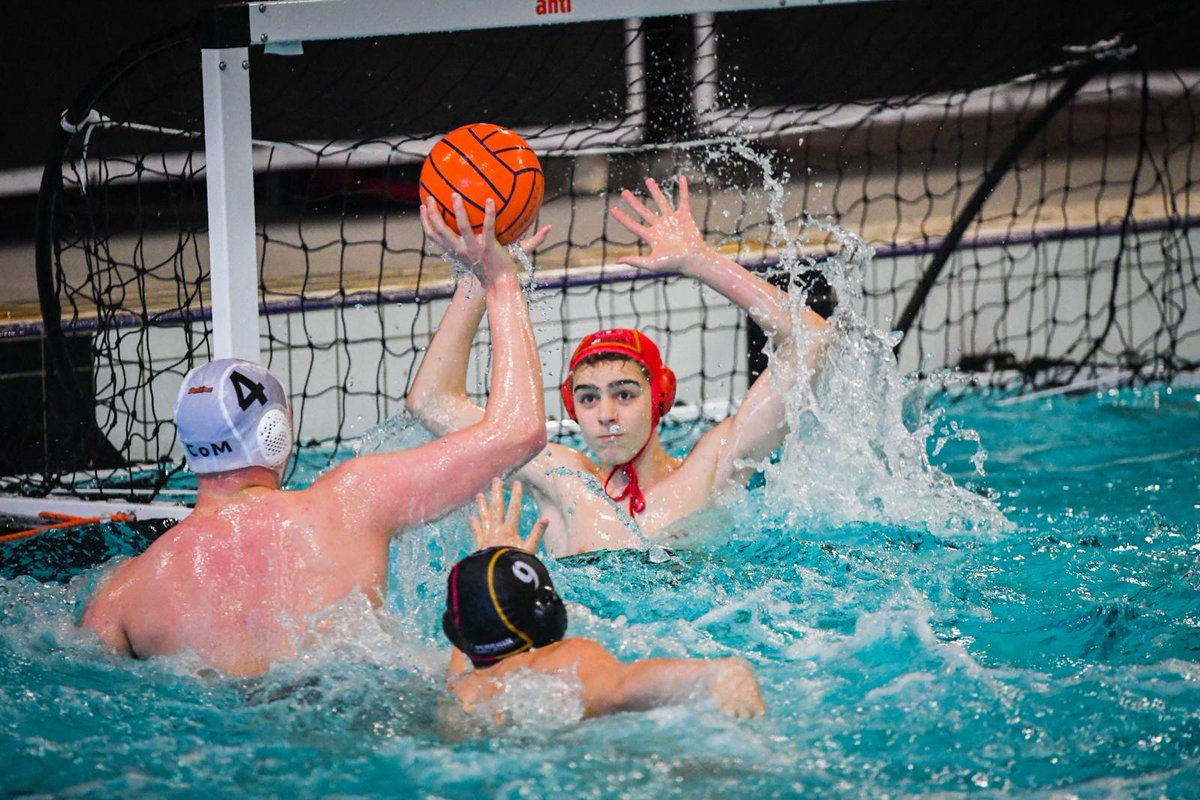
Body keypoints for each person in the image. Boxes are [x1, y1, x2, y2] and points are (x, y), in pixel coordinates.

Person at [80, 197, 549, 677]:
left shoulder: (123, 592)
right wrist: (500, 279)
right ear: (276, 433)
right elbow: (519, 431)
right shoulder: (350, 503)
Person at [406, 175, 830, 556]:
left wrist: (701, 261)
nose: (606, 415)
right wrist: (482, 276)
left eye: (624, 394)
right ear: (572, 407)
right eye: (589, 399)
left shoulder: (709, 470)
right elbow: (431, 402)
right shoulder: (560, 479)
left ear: (661, 396)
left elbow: (812, 339)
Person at [443, 478, 766, 720]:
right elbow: (620, 687)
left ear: (456, 630)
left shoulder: (461, 691)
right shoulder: (562, 660)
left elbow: (469, 630)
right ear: (547, 609)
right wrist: (717, 675)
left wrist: (482, 581)